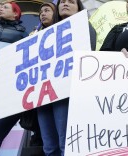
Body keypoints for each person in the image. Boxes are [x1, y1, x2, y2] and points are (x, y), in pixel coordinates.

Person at [36, 0, 96, 155]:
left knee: (66, 144)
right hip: (43, 94)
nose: (65, 4)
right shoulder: (43, 33)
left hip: (66, 93)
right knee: (49, 146)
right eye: (62, 1)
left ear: (79, 8)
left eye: (71, 2)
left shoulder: (85, 28)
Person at [0, 2, 28, 156]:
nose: (0, 8)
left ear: (15, 14)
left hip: (6, 86)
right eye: (0, 6)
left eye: (6, 7)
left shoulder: (22, 34)